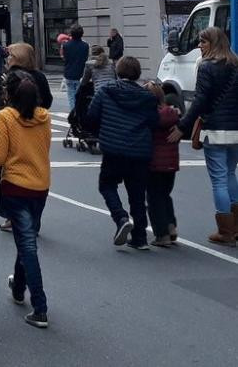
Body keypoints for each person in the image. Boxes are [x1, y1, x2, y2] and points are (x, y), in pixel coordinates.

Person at [0, 77, 51, 329]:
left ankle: (40, 306)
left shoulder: (6, 117)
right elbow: (44, 148)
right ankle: (19, 287)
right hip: (40, 185)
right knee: (26, 238)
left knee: (27, 245)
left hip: (16, 185)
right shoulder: (44, 116)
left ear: (10, 95)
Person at [172, 26, 238, 245]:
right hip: (236, 128)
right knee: (230, 174)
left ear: (213, 44)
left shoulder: (206, 66)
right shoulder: (235, 63)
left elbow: (200, 101)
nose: (199, 46)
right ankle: (236, 226)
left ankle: (225, 230)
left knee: (219, 178)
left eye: (203, 42)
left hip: (215, 128)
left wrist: (183, 126)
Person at [85, 55, 159, 249]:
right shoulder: (148, 98)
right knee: (137, 194)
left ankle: (121, 217)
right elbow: (154, 123)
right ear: (137, 74)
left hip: (114, 148)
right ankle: (140, 237)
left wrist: (101, 131)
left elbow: (92, 116)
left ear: (118, 71)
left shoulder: (106, 92)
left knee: (107, 185)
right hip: (140, 150)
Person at [147, 81, 181, 248]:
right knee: (165, 195)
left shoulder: (150, 117)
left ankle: (162, 234)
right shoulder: (173, 114)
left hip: (154, 163)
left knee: (154, 198)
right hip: (171, 163)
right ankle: (171, 225)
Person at [0, 44, 54, 111]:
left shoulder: (8, 76)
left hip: (12, 117)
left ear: (18, 58)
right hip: (36, 117)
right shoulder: (39, 76)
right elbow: (47, 101)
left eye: (11, 55)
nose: (8, 58)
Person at [62, 24, 89, 110]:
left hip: (69, 73)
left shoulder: (66, 45)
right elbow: (86, 59)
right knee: (80, 97)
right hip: (81, 74)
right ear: (82, 34)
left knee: (71, 97)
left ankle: (73, 114)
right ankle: (79, 114)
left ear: (71, 34)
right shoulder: (85, 46)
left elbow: (65, 59)